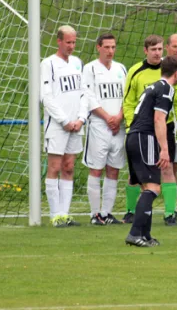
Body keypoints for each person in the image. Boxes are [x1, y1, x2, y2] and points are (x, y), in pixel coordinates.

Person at [124, 56, 177, 247]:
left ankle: (145, 235)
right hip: (144, 137)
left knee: (145, 188)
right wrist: (164, 149)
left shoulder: (153, 86)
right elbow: (159, 119)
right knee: (153, 188)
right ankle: (134, 234)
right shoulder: (167, 88)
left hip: (133, 136)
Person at [40, 25, 88, 227]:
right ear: (58, 41)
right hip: (58, 125)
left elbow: (85, 92)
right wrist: (64, 121)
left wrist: (81, 118)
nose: (71, 46)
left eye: (74, 42)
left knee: (69, 167)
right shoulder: (48, 64)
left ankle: (65, 214)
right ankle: (54, 215)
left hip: (76, 124)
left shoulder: (78, 63)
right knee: (55, 167)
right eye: (68, 42)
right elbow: (46, 96)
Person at [82, 33, 127, 225]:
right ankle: (95, 214)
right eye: (107, 47)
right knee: (96, 169)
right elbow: (88, 96)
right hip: (100, 125)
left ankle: (106, 213)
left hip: (118, 125)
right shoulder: (89, 68)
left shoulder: (121, 68)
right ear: (98, 47)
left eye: (113, 47)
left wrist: (118, 117)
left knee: (114, 169)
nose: (110, 51)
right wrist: (108, 117)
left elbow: (127, 96)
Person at [121, 34, 164, 223]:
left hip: (163, 128)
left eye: (160, 49)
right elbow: (128, 101)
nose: (157, 53)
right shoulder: (135, 71)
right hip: (142, 131)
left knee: (163, 173)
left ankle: (166, 213)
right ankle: (134, 214)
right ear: (145, 51)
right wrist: (132, 123)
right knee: (139, 178)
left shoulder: (167, 72)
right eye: (153, 49)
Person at [161, 33, 177, 226]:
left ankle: (170, 209)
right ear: (167, 47)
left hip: (175, 125)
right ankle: (135, 209)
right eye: (174, 46)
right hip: (158, 124)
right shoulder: (162, 68)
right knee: (148, 168)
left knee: (173, 165)